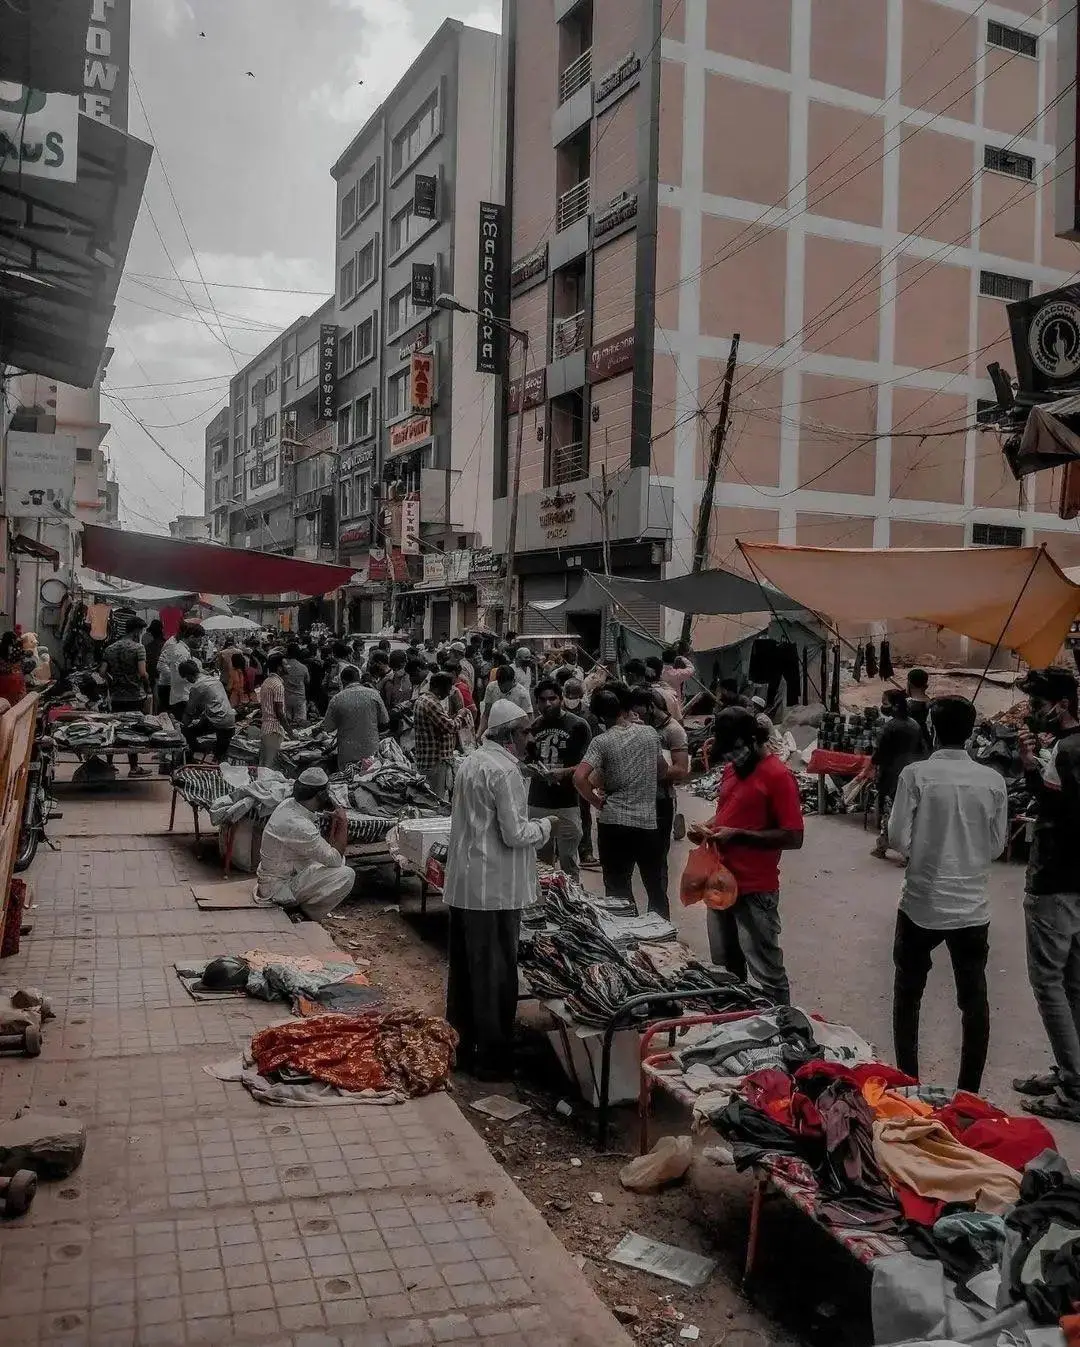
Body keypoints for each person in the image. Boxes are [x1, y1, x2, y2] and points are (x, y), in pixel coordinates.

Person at [887, 696, 1008, 1094]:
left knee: (909, 993)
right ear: (972, 732)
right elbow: (995, 847)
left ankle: (908, 1082)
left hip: (921, 901)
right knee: (973, 1000)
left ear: (932, 730)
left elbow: (897, 839)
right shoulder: (992, 780)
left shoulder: (916, 775)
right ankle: (968, 1094)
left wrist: (924, 848)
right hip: (972, 907)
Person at [443, 700, 554, 1079]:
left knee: (465, 972)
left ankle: (459, 1044)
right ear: (510, 736)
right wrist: (545, 828)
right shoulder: (505, 771)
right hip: (494, 890)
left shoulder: (471, 762)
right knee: (495, 974)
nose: (530, 738)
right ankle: (492, 1060)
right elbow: (515, 833)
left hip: (467, 884)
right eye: (525, 731)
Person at [689, 707, 803, 1004]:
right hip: (719, 880)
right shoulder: (731, 769)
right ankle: (736, 1019)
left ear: (754, 740)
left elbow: (793, 836)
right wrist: (708, 827)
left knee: (766, 970)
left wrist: (737, 835)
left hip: (755, 888)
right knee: (725, 965)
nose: (731, 759)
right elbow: (728, 813)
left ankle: (783, 1026)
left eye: (736, 750)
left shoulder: (778, 776)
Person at [1014, 667, 1080, 1120]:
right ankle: (1071, 1071)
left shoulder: (1067, 751)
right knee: (1074, 983)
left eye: (1038, 704)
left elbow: (1058, 809)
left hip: (1055, 877)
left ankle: (1074, 1090)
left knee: (1049, 983)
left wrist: (1029, 769)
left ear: (1061, 703)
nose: (1034, 712)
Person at [573, 684, 667, 915]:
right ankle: (662, 935)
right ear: (625, 708)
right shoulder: (649, 734)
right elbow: (662, 770)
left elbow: (579, 777)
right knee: (655, 885)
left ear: (599, 715)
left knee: (617, 888)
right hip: (646, 823)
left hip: (613, 824)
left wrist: (596, 802)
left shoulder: (602, 741)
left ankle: (626, 936)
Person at [256, 767, 355, 919]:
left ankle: (301, 906)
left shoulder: (289, 804)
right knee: (346, 874)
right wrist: (343, 822)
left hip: (282, 874)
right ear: (321, 795)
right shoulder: (299, 825)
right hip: (277, 889)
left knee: (338, 861)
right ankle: (306, 913)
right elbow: (334, 859)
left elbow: (332, 854)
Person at [630, 686, 690, 905]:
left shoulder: (673, 731)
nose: (638, 717)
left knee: (657, 862)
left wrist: (647, 767)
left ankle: (659, 911)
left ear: (651, 706)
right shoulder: (637, 727)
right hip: (634, 801)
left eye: (641, 713)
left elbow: (681, 770)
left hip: (660, 801)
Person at [528, 679, 592, 881]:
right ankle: (548, 906)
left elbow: (588, 764)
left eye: (552, 699)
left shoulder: (578, 726)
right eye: (542, 700)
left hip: (568, 803)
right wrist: (532, 770)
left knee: (568, 861)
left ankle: (571, 902)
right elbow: (525, 760)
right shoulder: (533, 727)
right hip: (538, 802)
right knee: (541, 864)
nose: (547, 704)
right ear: (536, 702)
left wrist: (564, 772)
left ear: (561, 699)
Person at [870, 689, 927, 859]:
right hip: (911, 774)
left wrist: (873, 764)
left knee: (889, 813)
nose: (883, 706)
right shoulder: (914, 725)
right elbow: (922, 750)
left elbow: (879, 754)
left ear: (894, 706)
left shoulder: (890, 727)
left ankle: (884, 847)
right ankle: (907, 850)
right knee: (909, 813)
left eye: (885, 702)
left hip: (891, 775)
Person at [99, 615, 151, 778]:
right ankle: (134, 767)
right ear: (137, 631)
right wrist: (147, 685)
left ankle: (109, 764)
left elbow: (101, 672)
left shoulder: (110, 648)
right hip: (135, 695)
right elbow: (142, 673)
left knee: (114, 727)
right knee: (133, 730)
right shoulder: (138, 648)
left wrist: (112, 681)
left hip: (115, 695)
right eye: (141, 631)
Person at [322, 665, 388, 770]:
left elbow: (328, 727)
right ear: (359, 679)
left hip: (347, 753)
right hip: (370, 751)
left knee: (347, 781)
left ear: (342, 681)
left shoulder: (337, 699)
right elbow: (385, 721)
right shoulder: (374, 694)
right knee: (369, 780)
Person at [564, 678, 600, 867]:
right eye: (568, 695)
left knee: (584, 811)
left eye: (574, 696)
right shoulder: (557, 713)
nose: (571, 699)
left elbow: (595, 744)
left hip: (583, 769)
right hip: (561, 769)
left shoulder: (589, 716)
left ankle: (585, 851)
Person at [414, 671, 467, 797]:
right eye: (447, 689)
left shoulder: (422, 699)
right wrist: (461, 716)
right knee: (435, 800)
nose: (449, 693)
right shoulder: (431, 703)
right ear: (438, 687)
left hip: (428, 759)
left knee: (431, 797)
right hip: (434, 761)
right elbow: (450, 726)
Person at [176, 659, 236, 761]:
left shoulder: (197, 686)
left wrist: (182, 725)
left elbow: (189, 712)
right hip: (230, 719)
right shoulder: (214, 680)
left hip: (218, 721)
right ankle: (210, 755)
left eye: (186, 677)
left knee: (187, 731)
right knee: (220, 754)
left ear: (188, 675)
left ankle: (197, 753)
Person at [258, 652, 292, 768]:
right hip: (274, 730)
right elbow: (279, 713)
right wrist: (291, 733)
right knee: (269, 766)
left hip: (266, 728)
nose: (289, 667)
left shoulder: (267, 682)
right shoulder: (278, 685)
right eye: (286, 664)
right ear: (279, 668)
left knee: (264, 765)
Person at [160, 621, 199, 717]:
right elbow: (180, 675)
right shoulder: (180, 651)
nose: (199, 642)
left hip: (180, 694)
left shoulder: (181, 648)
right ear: (191, 637)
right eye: (199, 639)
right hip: (182, 696)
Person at [479, 664, 532, 734]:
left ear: (513, 681)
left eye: (506, 687)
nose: (503, 689)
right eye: (501, 686)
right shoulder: (491, 688)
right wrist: (479, 733)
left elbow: (529, 718)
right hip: (494, 730)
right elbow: (486, 714)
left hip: (514, 732)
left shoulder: (522, 694)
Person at [660, 646, 695, 715]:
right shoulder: (677, 674)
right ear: (674, 660)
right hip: (674, 707)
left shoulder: (658, 673)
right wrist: (682, 658)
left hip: (660, 706)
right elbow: (691, 669)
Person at [281, 642, 309, 725]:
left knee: (287, 723)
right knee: (300, 724)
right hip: (299, 698)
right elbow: (307, 681)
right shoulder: (303, 667)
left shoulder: (282, 667)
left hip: (286, 697)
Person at [906, 667, 932, 749]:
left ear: (909, 684)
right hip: (927, 746)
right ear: (926, 686)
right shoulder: (932, 705)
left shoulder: (904, 706)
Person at [143, 619, 165, 699]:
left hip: (152, 676)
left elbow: (146, 664)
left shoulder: (148, 647)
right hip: (165, 678)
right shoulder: (167, 644)